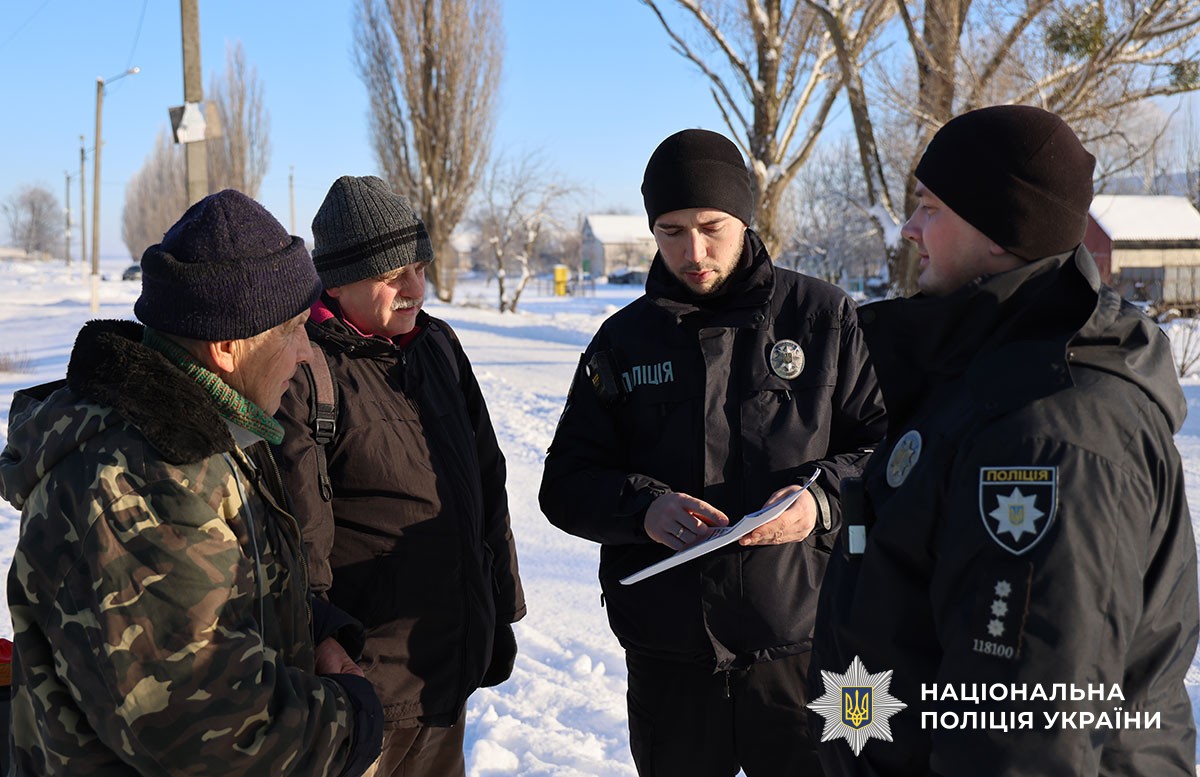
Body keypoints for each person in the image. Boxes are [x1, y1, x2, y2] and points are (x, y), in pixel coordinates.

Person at [811, 105, 1199, 776]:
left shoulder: (1050, 436)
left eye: (929, 207)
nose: (908, 228)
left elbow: (1023, 737)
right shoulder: (984, 379)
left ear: (998, 232)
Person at [539, 128, 887, 776]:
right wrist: (642, 508)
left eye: (711, 226)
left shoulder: (822, 317)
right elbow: (564, 482)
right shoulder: (623, 341)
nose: (692, 250)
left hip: (806, 648)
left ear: (745, 218)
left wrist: (819, 504)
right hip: (670, 657)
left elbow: (887, 451)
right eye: (670, 230)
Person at [0, 190, 383, 776]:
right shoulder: (136, 485)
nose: (308, 353)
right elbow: (209, 730)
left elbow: (224, 586)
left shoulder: (206, 432)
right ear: (229, 347)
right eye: (296, 329)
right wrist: (352, 721)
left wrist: (311, 627)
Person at [273, 175, 525, 777]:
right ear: (337, 280)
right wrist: (319, 642)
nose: (414, 288)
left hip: (447, 664)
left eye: (419, 266)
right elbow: (295, 534)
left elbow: (486, 479)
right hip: (366, 685)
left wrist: (501, 607)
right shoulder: (304, 369)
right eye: (392, 275)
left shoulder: (439, 344)